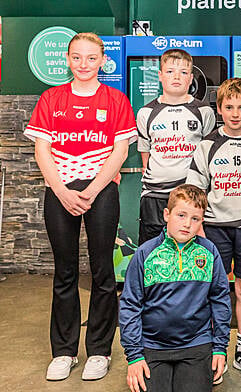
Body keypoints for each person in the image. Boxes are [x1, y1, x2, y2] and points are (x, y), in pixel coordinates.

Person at [24, 32, 137, 382]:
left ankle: (99, 350)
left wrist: (90, 190)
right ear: (68, 60)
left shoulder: (116, 99)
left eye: (91, 58)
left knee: (103, 270)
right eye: (77, 57)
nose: (84, 64)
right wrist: (62, 191)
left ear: (102, 60)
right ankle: (64, 351)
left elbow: (119, 152)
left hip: (100, 190)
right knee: (65, 272)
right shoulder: (51, 98)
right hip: (59, 191)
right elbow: (42, 149)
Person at [187, 78, 241, 379]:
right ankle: (215, 351)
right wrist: (198, 228)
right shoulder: (208, 144)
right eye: (229, 107)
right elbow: (195, 191)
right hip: (213, 229)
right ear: (219, 108)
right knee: (215, 289)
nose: (235, 113)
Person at [119, 184, 231, 392]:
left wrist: (220, 348)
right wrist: (134, 356)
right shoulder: (145, 253)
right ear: (166, 215)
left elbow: (220, 300)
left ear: (201, 221)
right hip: (152, 345)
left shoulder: (209, 252)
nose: (187, 224)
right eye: (181, 215)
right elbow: (130, 305)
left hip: (196, 344)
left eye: (195, 219)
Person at [136, 48, 216, 245]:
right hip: (154, 195)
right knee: (152, 253)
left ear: (191, 78)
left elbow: (208, 154)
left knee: (190, 253)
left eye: (183, 72)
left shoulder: (203, 112)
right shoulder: (146, 113)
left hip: (190, 195)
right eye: (170, 71)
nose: (177, 77)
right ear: (160, 76)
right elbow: (145, 154)